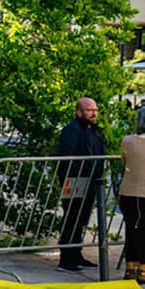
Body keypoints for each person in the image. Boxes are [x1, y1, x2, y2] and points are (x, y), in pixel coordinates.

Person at [56, 97, 105, 273]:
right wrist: (74, 175)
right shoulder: (72, 130)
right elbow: (66, 156)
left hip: (91, 181)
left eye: (95, 110)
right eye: (89, 110)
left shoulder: (94, 130)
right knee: (72, 218)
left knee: (81, 219)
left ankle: (76, 254)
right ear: (79, 112)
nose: (94, 113)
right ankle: (66, 258)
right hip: (75, 180)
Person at [120, 119, 145, 282]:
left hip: (128, 191)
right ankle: (143, 269)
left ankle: (130, 267)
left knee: (131, 229)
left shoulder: (127, 141)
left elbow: (124, 161)